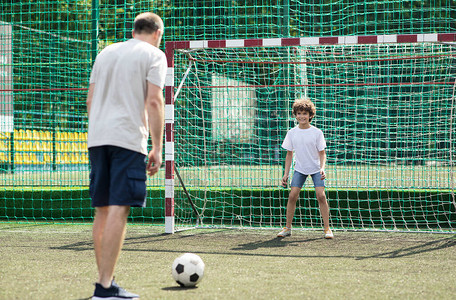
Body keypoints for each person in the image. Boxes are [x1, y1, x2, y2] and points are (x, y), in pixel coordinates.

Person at [86, 12, 167, 300]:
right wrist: (158, 147)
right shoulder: (154, 55)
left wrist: (97, 131)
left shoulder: (105, 52)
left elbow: (90, 100)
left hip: (97, 138)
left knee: (102, 210)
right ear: (157, 32)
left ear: (135, 30)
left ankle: (105, 283)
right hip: (128, 139)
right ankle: (105, 287)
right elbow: (155, 101)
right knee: (120, 207)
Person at [277, 98, 333, 239]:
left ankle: (327, 229)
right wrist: (286, 174)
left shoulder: (317, 132)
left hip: (315, 169)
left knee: (321, 196)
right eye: (299, 113)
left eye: (305, 113)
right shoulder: (292, 133)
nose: (302, 116)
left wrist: (322, 168)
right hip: (300, 169)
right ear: (295, 115)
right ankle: (287, 228)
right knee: (292, 196)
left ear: (310, 115)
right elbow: (289, 154)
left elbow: (322, 153)